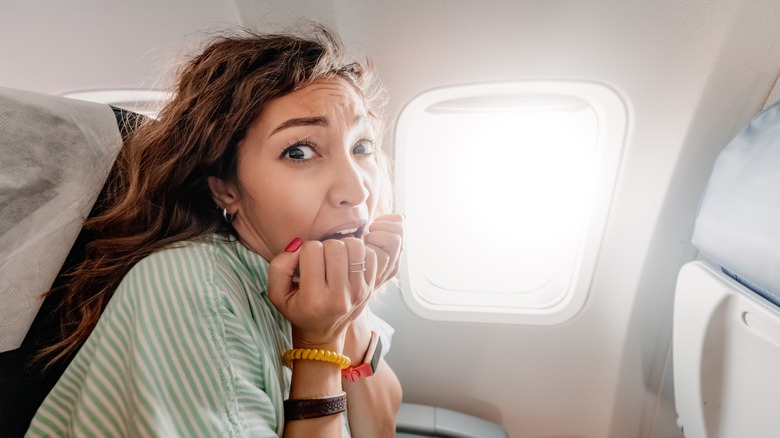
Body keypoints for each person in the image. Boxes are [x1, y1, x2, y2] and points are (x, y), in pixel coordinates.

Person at [26, 25, 403, 437]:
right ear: (225, 188)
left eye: (361, 147)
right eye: (299, 151)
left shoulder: (307, 280)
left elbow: (379, 429)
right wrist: (320, 346)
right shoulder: (189, 286)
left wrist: (351, 308)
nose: (357, 189)